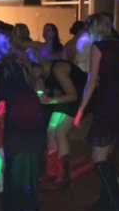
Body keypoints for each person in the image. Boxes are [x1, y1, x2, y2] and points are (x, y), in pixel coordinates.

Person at [0, 29, 46, 211]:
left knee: (14, 156)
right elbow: (39, 76)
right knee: (32, 155)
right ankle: (31, 208)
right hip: (33, 105)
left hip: (17, 109)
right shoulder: (22, 59)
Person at [74, 12, 119, 211]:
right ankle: (106, 201)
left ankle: (116, 206)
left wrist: (81, 108)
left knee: (99, 156)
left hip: (107, 100)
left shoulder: (98, 47)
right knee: (108, 154)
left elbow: (91, 81)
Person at [37, 58, 87, 190]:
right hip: (66, 100)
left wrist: (50, 100)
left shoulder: (58, 69)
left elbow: (73, 95)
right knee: (50, 130)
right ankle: (52, 170)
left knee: (60, 132)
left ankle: (64, 175)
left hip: (81, 98)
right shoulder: (46, 73)